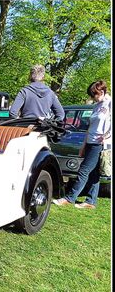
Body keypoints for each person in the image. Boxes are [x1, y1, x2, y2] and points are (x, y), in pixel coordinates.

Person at [53, 80, 111, 209]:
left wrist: (106, 135)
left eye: (93, 95)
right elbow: (90, 127)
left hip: (99, 144)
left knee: (83, 171)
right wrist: (83, 146)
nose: (92, 98)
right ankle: (91, 201)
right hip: (90, 141)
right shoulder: (96, 106)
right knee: (94, 173)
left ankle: (70, 198)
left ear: (101, 92)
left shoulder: (109, 103)